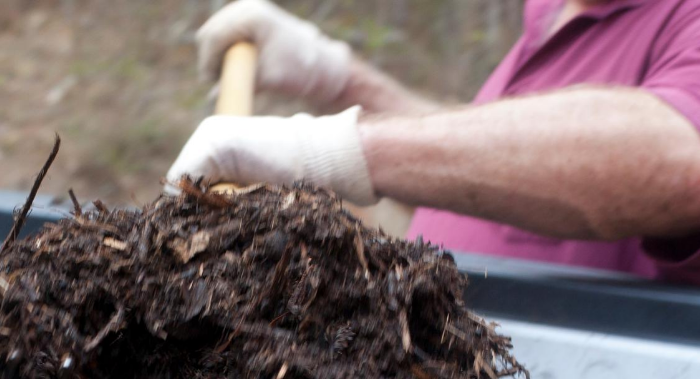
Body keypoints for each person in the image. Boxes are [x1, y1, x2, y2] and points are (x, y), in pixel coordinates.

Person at [167, 0, 700, 283]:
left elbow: (681, 158)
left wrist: (328, 150)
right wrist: (333, 76)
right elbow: (475, 167)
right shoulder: (555, 13)